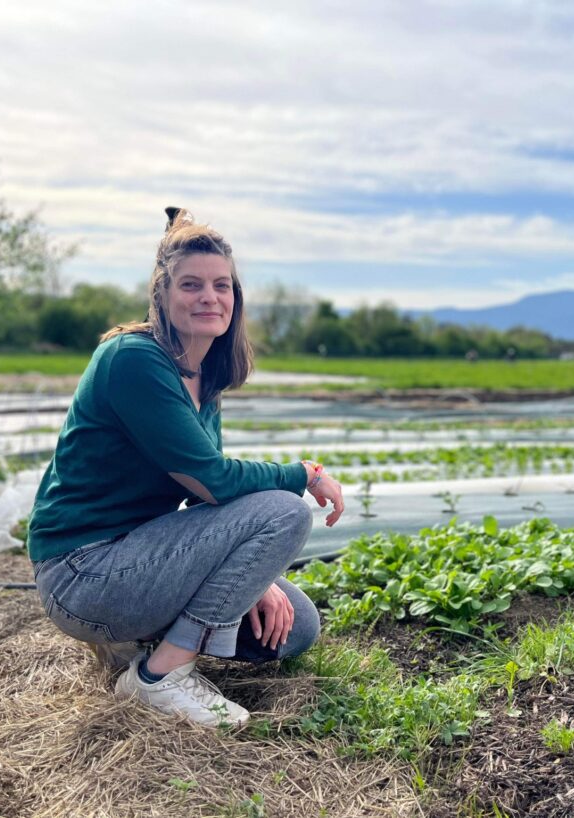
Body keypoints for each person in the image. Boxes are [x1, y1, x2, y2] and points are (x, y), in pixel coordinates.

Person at [27, 207, 345, 727]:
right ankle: (160, 676)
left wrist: (254, 574)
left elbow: (200, 495)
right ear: (163, 294)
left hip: (136, 557)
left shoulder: (203, 378)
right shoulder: (133, 359)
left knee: (298, 626)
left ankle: (137, 644)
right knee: (286, 510)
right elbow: (215, 479)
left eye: (222, 285)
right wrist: (304, 474)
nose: (209, 297)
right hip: (82, 572)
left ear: (235, 298)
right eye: (191, 285)